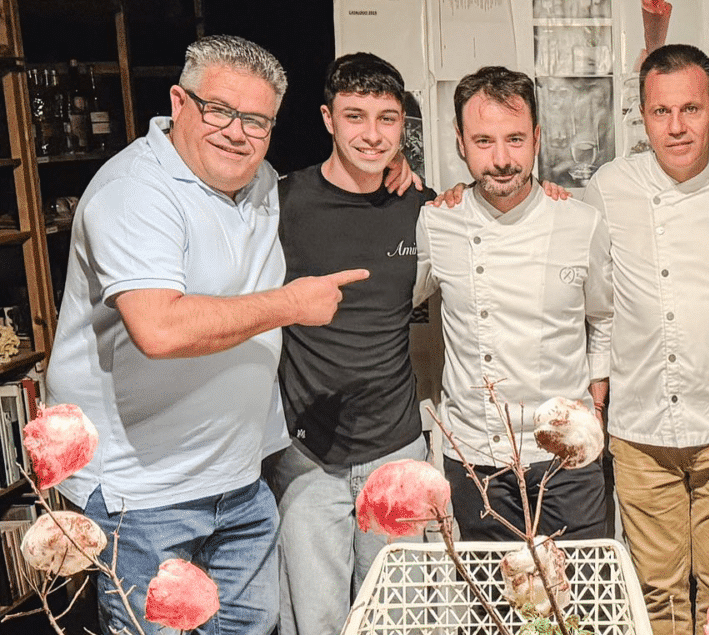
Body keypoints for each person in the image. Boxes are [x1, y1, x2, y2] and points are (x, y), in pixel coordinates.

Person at [44, 35, 367, 635]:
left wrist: (393, 168)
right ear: (180, 102)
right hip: (142, 497)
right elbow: (160, 329)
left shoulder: (262, 182)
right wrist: (290, 304)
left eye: (258, 121)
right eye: (220, 110)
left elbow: (328, 182)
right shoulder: (136, 191)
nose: (237, 132)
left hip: (240, 483)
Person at [582, 43, 709, 635]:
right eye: (660, 112)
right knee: (656, 594)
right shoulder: (609, 186)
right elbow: (600, 300)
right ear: (641, 116)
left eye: (691, 109)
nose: (676, 127)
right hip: (641, 427)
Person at [267, 52, 434, 635]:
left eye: (387, 119)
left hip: (396, 449)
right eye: (355, 116)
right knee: (315, 623)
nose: (371, 134)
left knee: (400, 620)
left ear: (403, 127)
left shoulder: (424, 207)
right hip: (309, 455)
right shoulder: (281, 204)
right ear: (327, 118)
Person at [413, 66, 612, 541]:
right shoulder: (436, 223)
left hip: (567, 459)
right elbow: (402, 300)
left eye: (516, 140)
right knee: (487, 609)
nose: (502, 159)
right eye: (483, 141)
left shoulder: (580, 223)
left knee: (579, 606)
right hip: (476, 459)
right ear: (460, 142)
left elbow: (602, 319)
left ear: (538, 138)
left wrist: (597, 400)